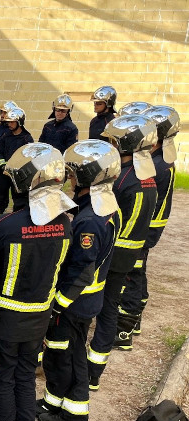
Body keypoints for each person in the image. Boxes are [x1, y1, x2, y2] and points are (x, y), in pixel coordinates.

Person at [0, 143, 74, 421]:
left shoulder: (0, 227)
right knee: (25, 379)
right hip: (39, 319)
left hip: (5, 321)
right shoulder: (66, 223)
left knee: (2, 381)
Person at [38, 140, 121, 421]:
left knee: (69, 356)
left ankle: (75, 418)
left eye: (73, 175)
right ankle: (54, 403)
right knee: (64, 354)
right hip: (87, 300)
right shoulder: (106, 207)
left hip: (76, 303)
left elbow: (82, 271)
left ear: (87, 177)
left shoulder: (89, 222)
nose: (70, 180)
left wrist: (58, 303)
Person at [87, 114, 158, 390]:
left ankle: (81, 366)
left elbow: (106, 218)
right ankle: (95, 371)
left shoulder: (122, 179)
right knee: (108, 311)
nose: (112, 146)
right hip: (131, 253)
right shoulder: (146, 175)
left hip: (112, 253)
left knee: (89, 308)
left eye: (115, 142)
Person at [115, 106, 181, 349]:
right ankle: (134, 319)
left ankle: (124, 330)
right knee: (137, 273)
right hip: (145, 228)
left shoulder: (159, 164)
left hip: (143, 229)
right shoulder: (157, 159)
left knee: (132, 274)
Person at [0, 108, 34, 217]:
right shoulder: (5, 136)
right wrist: (2, 163)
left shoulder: (27, 138)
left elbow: (29, 156)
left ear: (19, 122)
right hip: (4, 172)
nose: (9, 124)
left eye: (12, 122)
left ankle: (19, 217)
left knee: (19, 196)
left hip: (18, 174)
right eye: (8, 122)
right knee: (1, 195)